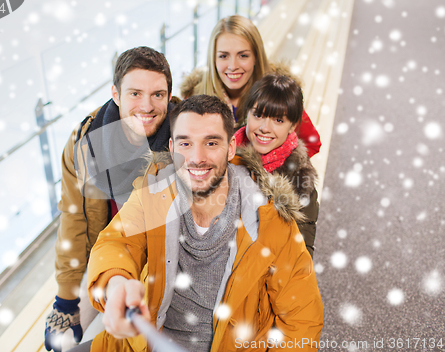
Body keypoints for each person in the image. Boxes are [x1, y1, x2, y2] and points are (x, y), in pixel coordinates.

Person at [84, 95, 323, 352]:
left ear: (231, 147)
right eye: (186, 143)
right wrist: (116, 283)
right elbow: (115, 243)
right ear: (173, 148)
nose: (197, 158)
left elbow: (302, 318)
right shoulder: (151, 195)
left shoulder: (270, 218)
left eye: (211, 142)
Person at [44, 46, 177, 352]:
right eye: (135, 94)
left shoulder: (181, 141)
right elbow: (73, 218)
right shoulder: (84, 143)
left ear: (170, 97)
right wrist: (66, 298)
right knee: (56, 343)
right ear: (115, 94)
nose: (147, 105)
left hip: (156, 260)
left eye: (158, 94)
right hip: (107, 252)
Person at [179, 14, 322, 158]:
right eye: (223, 56)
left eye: (243, 56)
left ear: (256, 57)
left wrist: (269, 167)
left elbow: (312, 143)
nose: (233, 66)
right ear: (213, 59)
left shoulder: (278, 94)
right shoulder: (193, 98)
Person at [233, 74, 319, 257]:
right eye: (258, 115)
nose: (265, 127)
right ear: (247, 113)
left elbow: (301, 254)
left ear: (292, 126)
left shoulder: (301, 179)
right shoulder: (222, 151)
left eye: (278, 120)